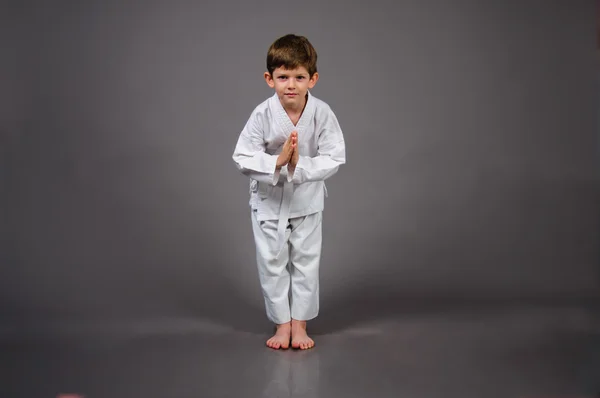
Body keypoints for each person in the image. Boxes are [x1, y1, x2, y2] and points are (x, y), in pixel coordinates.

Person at [232, 34, 346, 350]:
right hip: (269, 202)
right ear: (270, 79)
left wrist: (300, 165)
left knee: (306, 263)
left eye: (299, 76)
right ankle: (282, 325)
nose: (291, 84)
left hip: (307, 201)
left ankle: (300, 324)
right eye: (283, 77)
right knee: (271, 262)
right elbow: (241, 155)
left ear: (313, 79)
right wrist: (277, 162)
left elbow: (335, 156)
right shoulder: (262, 114)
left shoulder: (322, 114)